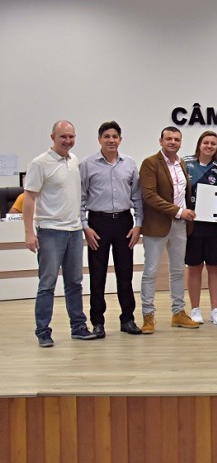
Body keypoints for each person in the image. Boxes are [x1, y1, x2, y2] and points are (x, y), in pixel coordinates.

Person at [24, 120, 97, 347]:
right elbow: (29, 198)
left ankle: (78, 327)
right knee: (47, 284)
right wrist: (29, 232)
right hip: (50, 232)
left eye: (71, 137)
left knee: (75, 282)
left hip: (74, 232)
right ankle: (43, 331)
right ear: (52, 137)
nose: (68, 141)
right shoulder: (40, 163)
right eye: (63, 137)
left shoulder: (74, 161)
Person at [80, 121, 144, 338]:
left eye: (114, 136)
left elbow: (137, 196)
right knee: (97, 276)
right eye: (106, 136)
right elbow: (81, 197)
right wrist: (85, 227)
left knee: (125, 274)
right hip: (98, 224)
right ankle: (97, 323)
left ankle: (128, 319)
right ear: (99, 139)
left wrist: (138, 225)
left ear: (120, 139)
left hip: (124, 223)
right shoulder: (87, 164)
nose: (111, 140)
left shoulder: (129, 163)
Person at [138, 126, 198, 333]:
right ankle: (148, 316)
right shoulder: (150, 163)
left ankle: (178, 313)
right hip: (157, 225)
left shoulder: (181, 163)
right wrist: (179, 211)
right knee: (151, 271)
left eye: (177, 139)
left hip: (180, 226)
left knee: (178, 271)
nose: (173, 142)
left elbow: (183, 193)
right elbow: (150, 196)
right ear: (161, 141)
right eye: (169, 139)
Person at [183, 131, 217, 326]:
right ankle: (194, 309)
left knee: (214, 267)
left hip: (215, 228)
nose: (209, 146)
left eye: (213, 143)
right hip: (192, 224)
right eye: (206, 142)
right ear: (199, 144)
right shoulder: (185, 163)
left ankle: (215, 310)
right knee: (194, 267)